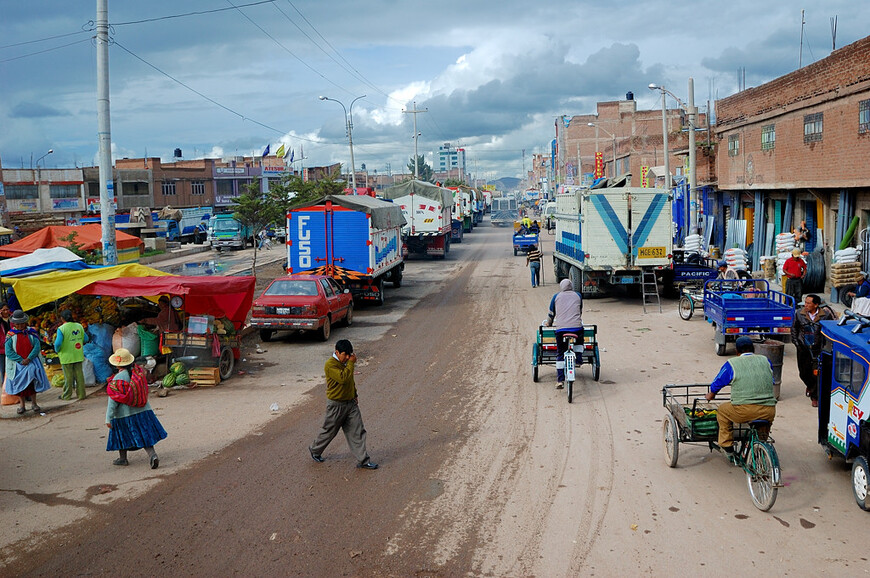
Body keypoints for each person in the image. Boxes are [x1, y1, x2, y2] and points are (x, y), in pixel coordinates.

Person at [308, 339, 378, 470]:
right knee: (329, 431)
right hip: (336, 405)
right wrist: (351, 363)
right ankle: (315, 450)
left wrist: (355, 394)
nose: (347, 357)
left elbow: (350, 381)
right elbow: (343, 378)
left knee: (357, 431)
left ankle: (363, 460)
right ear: (337, 352)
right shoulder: (330, 365)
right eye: (344, 354)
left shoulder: (346, 363)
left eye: (349, 355)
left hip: (350, 403)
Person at [705, 336, 777, 460]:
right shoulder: (765, 360)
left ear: (737, 351)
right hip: (769, 409)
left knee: (722, 410)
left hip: (744, 410)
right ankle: (761, 444)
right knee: (763, 427)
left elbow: (718, 382)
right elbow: (771, 380)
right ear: (754, 349)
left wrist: (711, 394)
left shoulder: (732, 364)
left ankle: (727, 445)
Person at [105, 347, 167, 468]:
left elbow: (112, 401)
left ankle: (123, 459)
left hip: (123, 415)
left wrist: (108, 418)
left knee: (121, 437)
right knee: (145, 436)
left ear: (117, 365)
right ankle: (152, 455)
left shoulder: (117, 380)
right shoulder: (138, 374)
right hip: (143, 411)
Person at [792, 294, 836, 407]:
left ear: (816, 305)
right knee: (803, 373)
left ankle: (814, 395)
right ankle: (810, 386)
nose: (805, 305)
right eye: (805, 302)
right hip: (803, 349)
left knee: (816, 373)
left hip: (818, 350)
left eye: (808, 303)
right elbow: (794, 329)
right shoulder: (799, 314)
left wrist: (825, 347)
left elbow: (829, 332)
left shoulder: (825, 316)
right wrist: (797, 344)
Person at [4, 310, 50, 415]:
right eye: (18, 323)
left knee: (32, 383)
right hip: (18, 365)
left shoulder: (31, 332)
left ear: (25, 322)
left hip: (31, 362)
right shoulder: (10, 335)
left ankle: (34, 403)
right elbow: (8, 351)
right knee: (20, 386)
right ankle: (22, 405)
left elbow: (37, 346)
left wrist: (29, 358)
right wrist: (20, 360)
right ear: (14, 324)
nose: (20, 325)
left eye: (22, 323)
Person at [545, 279, 583, 389]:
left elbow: (551, 313)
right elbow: (579, 311)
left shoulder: (556, 296)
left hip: (561, 330)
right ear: (571, 286)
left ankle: (560, 380)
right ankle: (579, 359)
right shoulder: (578, 295)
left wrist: (549, 323)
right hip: (576, 328)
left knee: (560, 353)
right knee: (580, 338)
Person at [53, 309, 89, 401]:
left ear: (62, 318)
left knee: (68, 377)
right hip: (78, 354)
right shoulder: (79, 326)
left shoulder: (61, 329)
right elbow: (86, 339)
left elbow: (57, 343)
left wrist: (57, 350)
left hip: (66, 356)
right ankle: (81, 395)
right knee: (79, 375)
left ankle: (67, 395)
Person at [0, 303, 12, 384]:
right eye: (3, 310)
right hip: (2, 349)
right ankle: (5, 385)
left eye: (7, 309)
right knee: (3, 368)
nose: (5, 311)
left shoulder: (13, 319)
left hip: (13, 347)